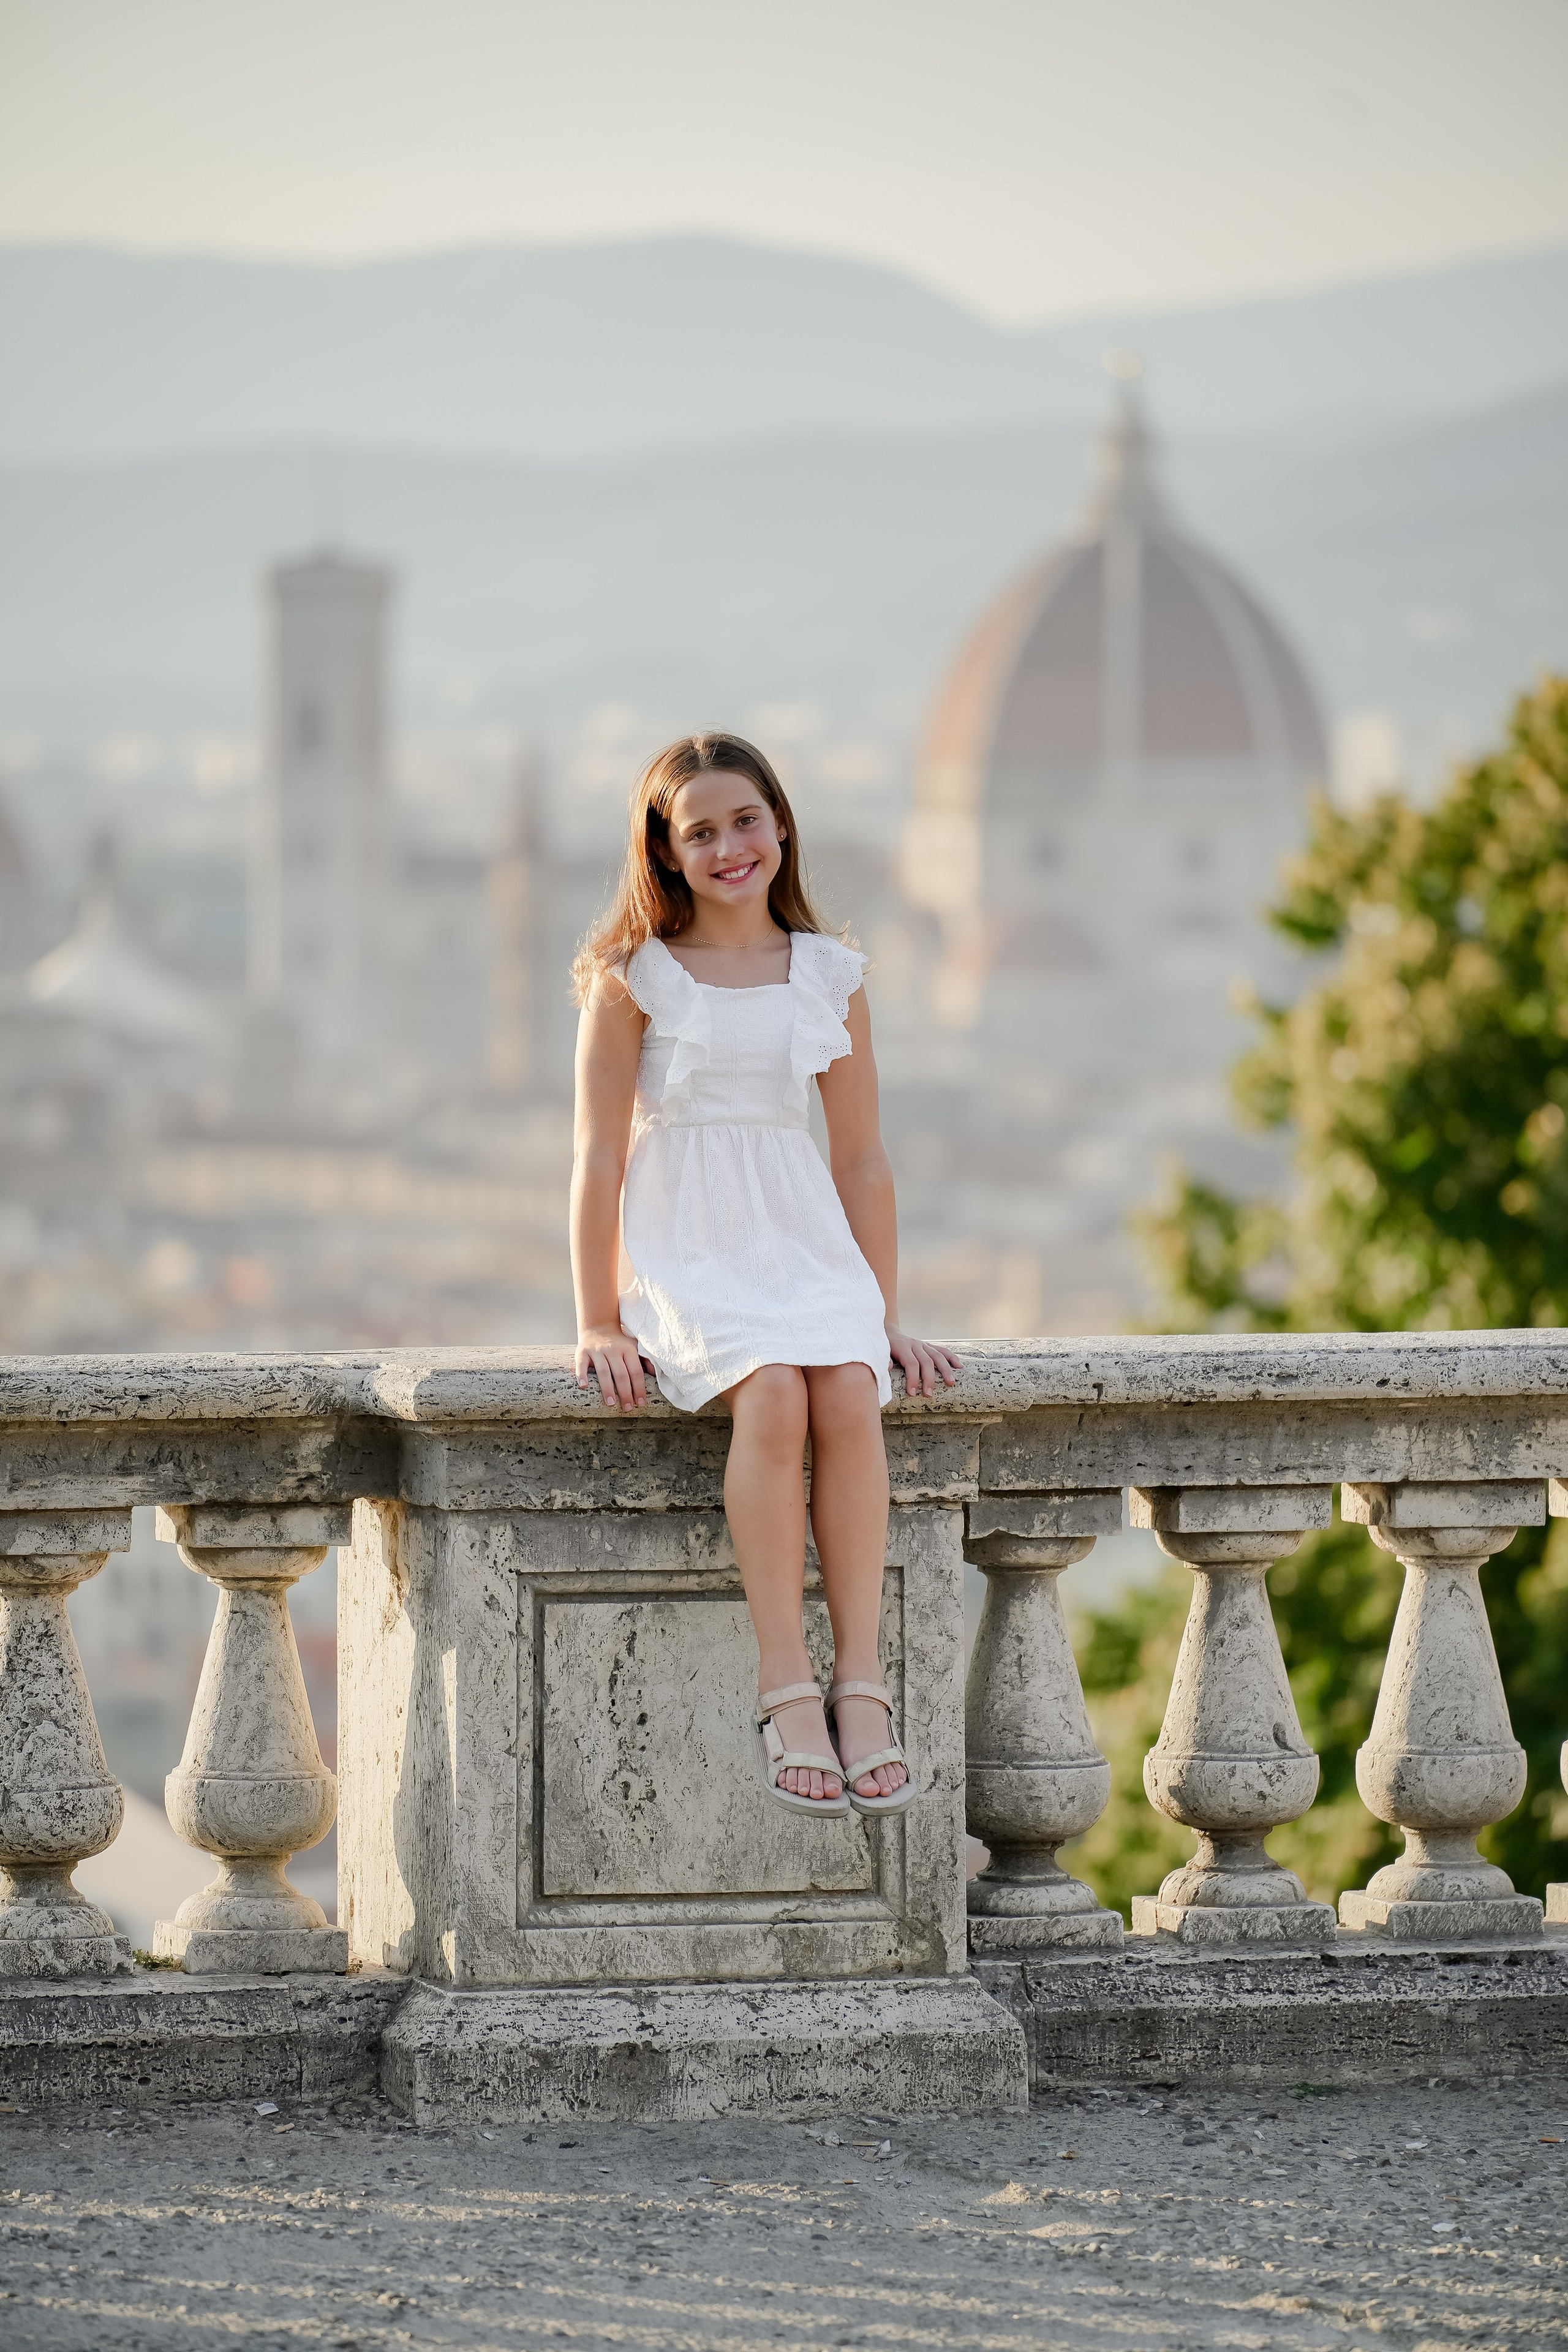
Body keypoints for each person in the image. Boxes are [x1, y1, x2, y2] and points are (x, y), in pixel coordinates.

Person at [570, 731, 960, 1818]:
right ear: (667, 852)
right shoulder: (633, 981)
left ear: (781, 824)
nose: (730, 846)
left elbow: (862, 1159)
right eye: (700, 831)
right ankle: (787, 1685)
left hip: (798, 1234)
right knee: (776, 1393)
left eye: (745, 821)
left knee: (847, 1388)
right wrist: (599, 1319)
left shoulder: (829, 975)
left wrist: (881, 1317)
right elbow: (598, 1154)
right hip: (688, 1236)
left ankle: (863, 1685)